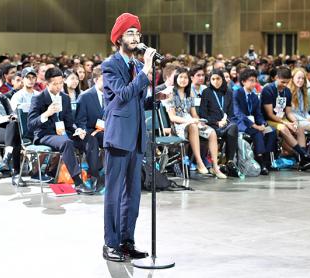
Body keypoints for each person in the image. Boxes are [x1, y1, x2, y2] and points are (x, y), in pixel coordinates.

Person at [102, 12, 165, 262]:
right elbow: (123, 94)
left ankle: (127, 241)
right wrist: (147, 72)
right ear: (118, 38)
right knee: (115, 193)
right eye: (130, 32)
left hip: (137, 136)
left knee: (133, 194)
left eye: (137, 32)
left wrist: (155, 99)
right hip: (118, 137)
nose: (135, 36)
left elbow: (138, 100)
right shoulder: (110, 66)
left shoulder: (138, 67)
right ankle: (110, 243)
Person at [28, 67, 100, 194]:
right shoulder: (38, 99)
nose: (59, 86)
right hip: (45, 134)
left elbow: (69, 122)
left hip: (63, 133)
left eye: (61, 83)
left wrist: (77, 130)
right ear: (47, 83)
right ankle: (78, 182)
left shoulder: (65, 98)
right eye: (55, 84)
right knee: (67, 142)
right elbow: (31, 124)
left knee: (90, 139)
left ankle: (94, 177)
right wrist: (46, 114)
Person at [165, 68, 226, 178]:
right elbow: (172, 117)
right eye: (181, 77)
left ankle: (215, 167)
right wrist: (190, 121)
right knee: (193, 126)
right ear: (176, 78)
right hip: (178, 125)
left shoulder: (190, 93)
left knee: (211, 132)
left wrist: (199, 121)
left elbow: (194, 114)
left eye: (185, 77)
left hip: (191, 121)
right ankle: (199, 161)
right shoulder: (170, 93)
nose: (183, 80)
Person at [261, 67, 310, 170]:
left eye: (287, 82)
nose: (285, 85)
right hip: (269, 120)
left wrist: (294, 121)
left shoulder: (287, 92)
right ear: (276, 78)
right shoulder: (268, 90)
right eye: (282, 82)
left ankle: (302, 159)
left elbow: (289, 112)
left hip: (281, 118)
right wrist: (286, 123)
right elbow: (269, 114)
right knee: (284, 128)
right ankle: (303, 156)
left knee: (299, 128)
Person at [233, 69, 277, 175]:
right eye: (251, 80)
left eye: (255, 81)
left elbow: (258, 114)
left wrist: (262, 123)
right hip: (240, 123)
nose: (254, 83)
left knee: (271, 131)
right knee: (256, 132)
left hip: (254, 124)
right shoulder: (236, 93)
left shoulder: (254, 96)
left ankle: (267, 160)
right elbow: (238, 114)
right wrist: (255, 126)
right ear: (243, 81)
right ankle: (260, 161)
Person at [198, 69, 239, 174]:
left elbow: (231, 113)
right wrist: (216, 122)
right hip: (211, 124)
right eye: (213, 79)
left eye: (218, 79)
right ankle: (221, 163)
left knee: (233, 126)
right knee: (229, 129)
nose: (216, 81)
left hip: (225, 124)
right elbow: (203, 114)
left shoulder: (228, 92)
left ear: (222, 79)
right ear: (210, 80)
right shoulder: (206, 92)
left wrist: (226, 120)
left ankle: (229, 161)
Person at [76, 66, 105, 147]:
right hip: (91, 131)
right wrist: (85, 134)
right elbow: (81, 121)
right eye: (104, 80)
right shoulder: (85, 96)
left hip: (107, 130)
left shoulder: (111, 95)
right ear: (95, 80)